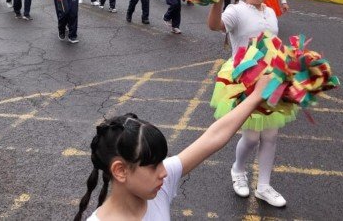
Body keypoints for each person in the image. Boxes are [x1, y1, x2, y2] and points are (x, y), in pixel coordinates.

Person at [74, 73, 273, 221]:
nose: (164, 172)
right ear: (120, 170)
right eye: (153, 166)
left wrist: (256, 97)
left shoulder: (156, 189)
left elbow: (213, 137)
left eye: (161, 162)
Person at [208, 0, 291, 208]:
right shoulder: (236, 10)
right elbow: (215, 26)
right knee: (252, 136)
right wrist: (216, 0)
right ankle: (238, 170)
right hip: (245, 79)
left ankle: (264, 186)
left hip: (271, 77)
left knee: (271, 135)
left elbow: (273, 42)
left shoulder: (271, 11)